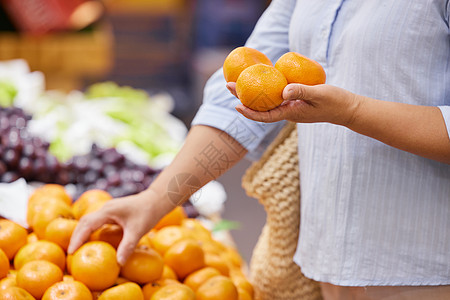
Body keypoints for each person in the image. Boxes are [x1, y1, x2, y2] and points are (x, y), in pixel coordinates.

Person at [69, 0, 450, 299]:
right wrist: (155, 199)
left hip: (427, 270)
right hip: (324, 263)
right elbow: (242, 90)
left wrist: (352, 111)